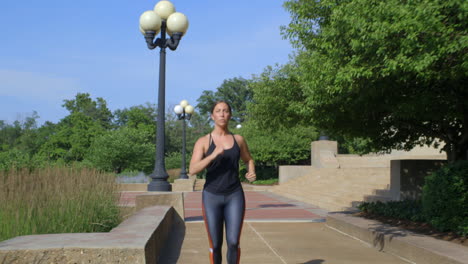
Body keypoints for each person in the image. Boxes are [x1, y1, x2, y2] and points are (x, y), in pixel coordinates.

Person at [189, 100, 256, 264]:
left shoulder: (238, 139)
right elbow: (193, 169)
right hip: (212, 196)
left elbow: (248, 159)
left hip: (234, 195)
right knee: (216, 244)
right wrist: (212, 156)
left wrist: (251, 170)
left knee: (233, 242)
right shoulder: (204, 141)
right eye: (218, 111)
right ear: (212, 116)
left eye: (226, 111)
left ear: (230, 115)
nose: (222, 114)